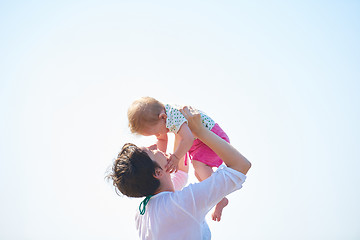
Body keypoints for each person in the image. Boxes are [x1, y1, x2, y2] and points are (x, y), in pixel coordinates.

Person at [107, 106, 251, 240]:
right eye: (151, 151)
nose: (154, 146)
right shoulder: (181, 203)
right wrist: (200, 131)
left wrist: (180, 130)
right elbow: (241, 166)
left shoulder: (143, 215)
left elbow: (180, 174)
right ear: (157, 173)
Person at [127, 96, 231, 221]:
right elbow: (162, 139)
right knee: (199, 173)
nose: (156, 135)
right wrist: (159, 158)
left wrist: (176, 157)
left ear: (163, 118)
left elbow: (188, 139)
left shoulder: (174, 117)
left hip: (212, 137)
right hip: (200, 142)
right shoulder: (163, 117)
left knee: (198, 165)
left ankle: (219, 196)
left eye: (155, 131)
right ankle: (219, 197)